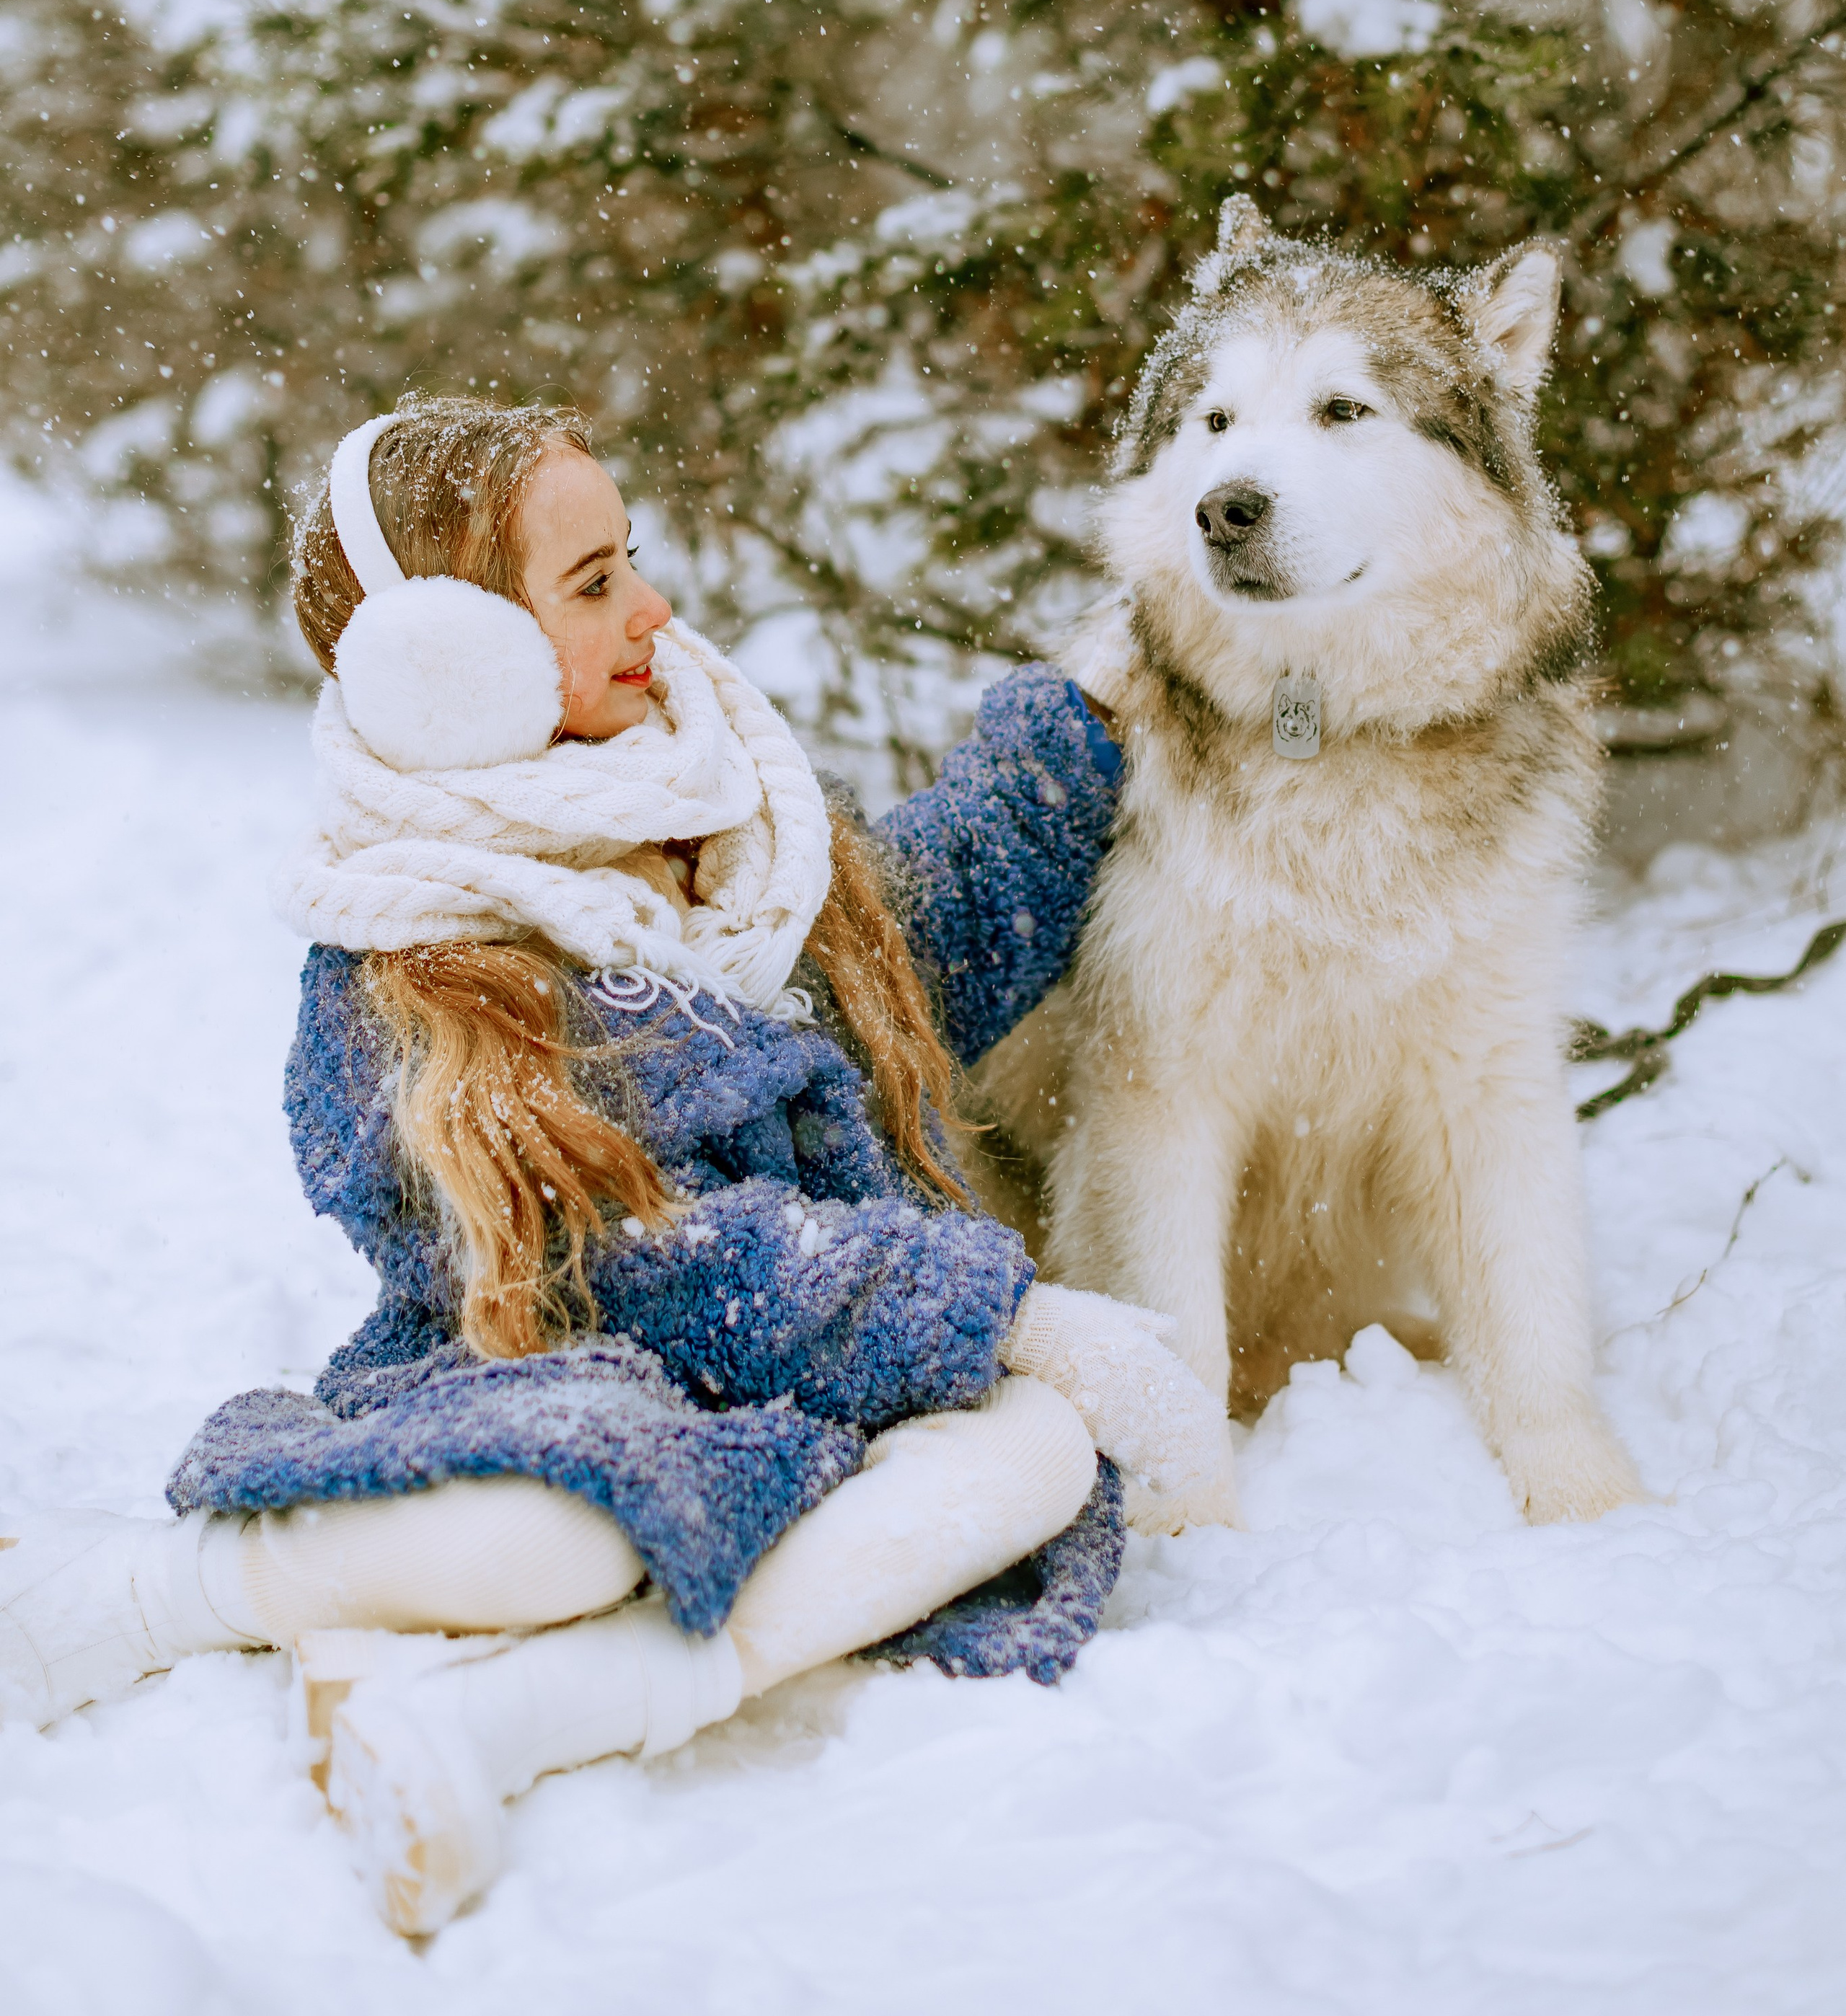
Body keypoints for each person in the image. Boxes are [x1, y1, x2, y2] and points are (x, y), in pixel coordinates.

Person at [1, 399, 1239, 1935]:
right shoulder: (407, 968)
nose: (651, 608)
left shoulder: (718, 820)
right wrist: (993, 1312)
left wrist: (1081, 721)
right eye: (590, 584)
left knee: (1036, 1453)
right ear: (450, 665)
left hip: (803, 1382)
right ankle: (148, 1594)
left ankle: (505, 1711)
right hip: (553, 1371)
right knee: (573, 1524)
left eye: (629, 561)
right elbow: (624, 1261)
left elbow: (916, 943)